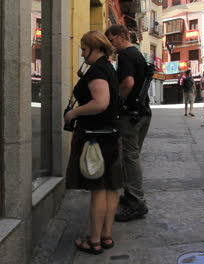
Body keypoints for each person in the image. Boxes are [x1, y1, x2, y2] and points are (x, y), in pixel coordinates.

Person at [64, 30, 122, 255]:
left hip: (95, 137)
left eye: (83, 48)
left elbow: (100, 102)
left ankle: (94, 240)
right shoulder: (107, 67)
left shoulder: (97, 70)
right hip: (110, 135)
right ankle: (106, 236)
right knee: (110, 188)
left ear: (95, 48)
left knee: (99, 190)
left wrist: (74, 113)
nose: (81, 52)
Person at [105, 24, 150, 222]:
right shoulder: (137, 54)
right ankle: (132, 195)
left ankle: (137, 203)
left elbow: (128, 83)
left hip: (130, 114)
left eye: (112, 39)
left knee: (129, 158)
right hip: (142, 114)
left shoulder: (125, 55)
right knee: (132, 157)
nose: (111, 44)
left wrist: (117, 103)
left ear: (122, 35)